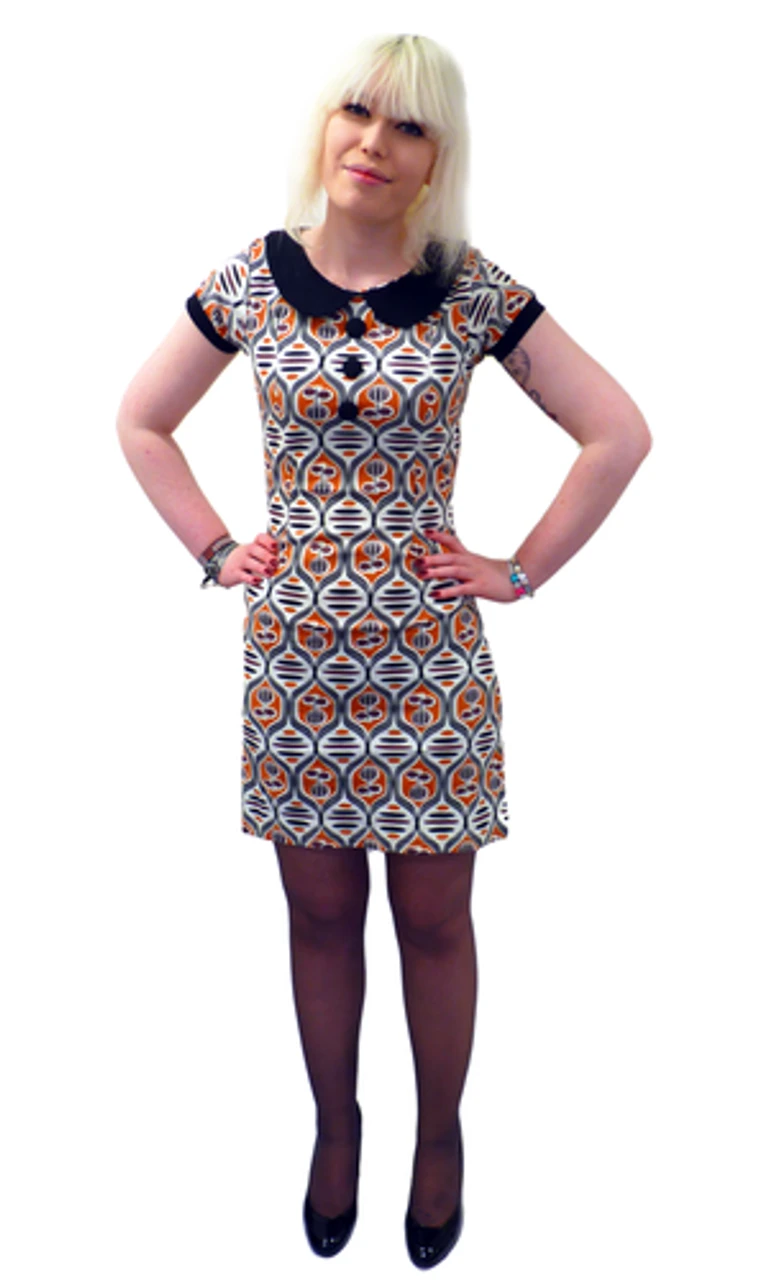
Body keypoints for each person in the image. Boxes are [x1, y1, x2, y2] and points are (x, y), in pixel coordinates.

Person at [117, 32, 651, 1269]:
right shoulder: (253, 278)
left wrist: (520, 567)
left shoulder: (472, 290)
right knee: (316, 916)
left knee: (436, 919)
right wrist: (214, 546)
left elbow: (617, 432)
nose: (374, 141)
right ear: (325, 124)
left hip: (430, 662)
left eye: (408, 125)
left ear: (437, 158)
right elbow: (142, 419)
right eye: (358, 111)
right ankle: (336, 1127)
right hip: (296, 660)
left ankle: (442, 1135)